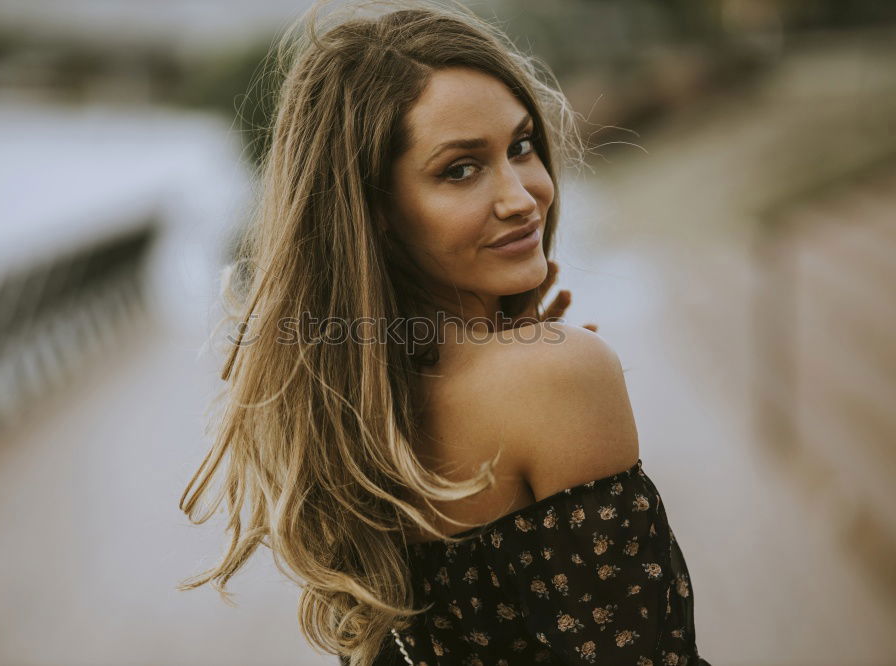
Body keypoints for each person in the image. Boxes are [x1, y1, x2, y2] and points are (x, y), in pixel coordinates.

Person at [179, 1, 710, 664]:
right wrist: (525, 359)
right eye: (460, 169)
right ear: (374, 211)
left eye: (520, 147)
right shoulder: (561, 374)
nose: (520, 196)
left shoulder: (345, 413)